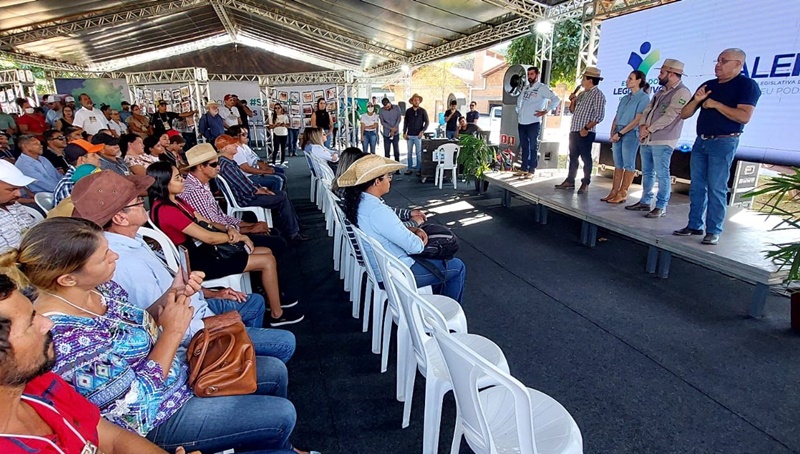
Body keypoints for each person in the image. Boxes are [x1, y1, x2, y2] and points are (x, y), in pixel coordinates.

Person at [0, 218, 316, 454]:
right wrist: (174, 331)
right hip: (157, 417)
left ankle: (276, 446)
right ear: (67, 278)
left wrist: (173, 296)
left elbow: (139, 320)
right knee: (281, 414)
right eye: (104, 257)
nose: (115, 259)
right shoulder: (66, 336)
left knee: (274, 371)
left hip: (177, 373)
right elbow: (132, 412)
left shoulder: (98, 288)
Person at [71, 170, 296, 343]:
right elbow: (158, 321)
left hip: (198, 302)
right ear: (120, 218)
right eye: (138, 202)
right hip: (192, 327)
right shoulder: (124, 262)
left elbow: (171, 289)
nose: (144, 204)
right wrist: (214, 324)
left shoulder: (136, 240)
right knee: (285, 342)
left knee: (254, 302)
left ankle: (244, 353)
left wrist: (211, 294)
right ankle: (237, 359)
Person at [0, 273, 191, 453]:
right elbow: (134, 414)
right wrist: (172, 333)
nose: (47, 323)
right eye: (30, 324)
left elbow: (112, 438)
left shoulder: (39, 384)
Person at [146, 162, 304, 326]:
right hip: (198, 263)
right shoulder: (167, 210)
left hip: (205, 252)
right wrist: (240, 237)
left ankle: (273, 300)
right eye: (178, 178)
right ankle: (277, 315)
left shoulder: (176, 201)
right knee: (267, 260)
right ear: (163, 183)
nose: (183, 181)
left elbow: (206, 222)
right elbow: (209, 237)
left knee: (266, 252)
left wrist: (230, 229)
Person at [340, 154, 464, 301]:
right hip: (398, 274)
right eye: (388, 176)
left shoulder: (359, 203)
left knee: (440, 265)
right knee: (457, 267)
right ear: (376, 181)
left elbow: (389, 231)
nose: (390, 180)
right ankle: (444, 316)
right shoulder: (378, 211)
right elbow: (415, 247)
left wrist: (412, 229)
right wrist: (417, 233)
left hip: (380, 271)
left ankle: (432, 303)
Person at [675, 48, 761, 245]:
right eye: (718, 60)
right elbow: (684, 113)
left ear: (738, 64)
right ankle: (694, 224)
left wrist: (716, 105)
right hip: (701, 141)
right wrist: (697, 100)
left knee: (716, 187)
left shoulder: (746, 85)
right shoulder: (708, 85)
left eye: (724, 61)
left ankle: (713, 229)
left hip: (724, 141)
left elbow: (744, 116)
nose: (718, 65)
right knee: (697, 186)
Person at [180, 144, 289, 255]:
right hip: (219, 243)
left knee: (273, 233)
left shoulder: (202, 184)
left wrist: (248, 225)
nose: (218, 167)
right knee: (278, 243)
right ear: (200, 167)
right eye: (214, 164)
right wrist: (249, 228)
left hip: (227, 233)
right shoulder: (194, 191)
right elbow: (212, 227)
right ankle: (258, 267)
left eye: (218, 163)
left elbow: (220, 217)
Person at [625, 60, 691, 216]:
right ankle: (645, 202)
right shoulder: (660, 91)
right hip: (647, 138)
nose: (659, 75)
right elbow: (647, 110)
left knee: (662, 173)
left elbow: (670, 115)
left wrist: (649, 129)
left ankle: (661, 206)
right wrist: (642, 126)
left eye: (662, 73)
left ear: (672, 74)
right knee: (647, 172)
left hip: (663, 139)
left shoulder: (682, 92)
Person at [216, 135, 309, 242]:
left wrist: (260, 188)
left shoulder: (227, 162)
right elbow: (243, 185)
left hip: (246, 195)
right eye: (233, 144)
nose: (236, 146)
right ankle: (293, 232)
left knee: (281, 195)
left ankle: (294, 226)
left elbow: (245, 182)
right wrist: (259, 190)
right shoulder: (227, 165)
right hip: (245, 198)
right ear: (225, 148)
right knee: (282, 197)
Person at [333, 148, 427, 228]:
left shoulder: (344, 191)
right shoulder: (366, 202)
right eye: (388, 176)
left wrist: (408, 213)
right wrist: (414, 223)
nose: (390, 179)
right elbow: (393, 230)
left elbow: (385, 213)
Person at [555, 66, 607, 194]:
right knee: (573, 157)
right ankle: (570, 180)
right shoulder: (583, 94)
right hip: (574, 130)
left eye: (584, 78)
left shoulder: (598, 95)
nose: (582, 81)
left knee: (585, 158)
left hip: (586, 132)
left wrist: (586, 128)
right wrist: (573, 100)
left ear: (590, 80)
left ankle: (585, 182)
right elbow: (573, 111)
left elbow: (599, 116)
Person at [602, 70, 650, 204]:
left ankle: (623, 192)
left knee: (628, 162)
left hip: (630, 133)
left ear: (639, 81)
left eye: (631, 78)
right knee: (618, 163)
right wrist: (613, 131)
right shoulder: (625, 98)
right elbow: (617, 116)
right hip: (618, 130)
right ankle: (614, 191)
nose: (627, 80)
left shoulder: (644, 98)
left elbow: (637, 119)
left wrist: (621, 133)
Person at [515, 66, 560, 178]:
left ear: (537, 75)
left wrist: (546, 111)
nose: (530, 76)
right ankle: (524, 168)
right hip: (522, 122)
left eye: (532, 74)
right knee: (524, 146)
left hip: (533, 122)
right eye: (528, 74)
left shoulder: (542, 88)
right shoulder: (525, 88)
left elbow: (556, 99)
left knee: (533, 146)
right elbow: (519, 100)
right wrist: (519, 110)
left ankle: (531, 170)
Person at [227, 126, 285, 191]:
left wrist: (265, 168)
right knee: (277, 180)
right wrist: (264, 171)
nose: (247, 136)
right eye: (243, 134)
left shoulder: (244, 146)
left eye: (246, 133)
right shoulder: (236, 150)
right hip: (249, 177)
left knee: (281, 175)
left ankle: (277, 196)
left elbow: (256, 160)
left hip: (256, 172)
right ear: (235, 137)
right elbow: (247, 169)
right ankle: (276, 198)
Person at [53, 139, 103, 205]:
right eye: (93, 155)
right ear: (82, 159)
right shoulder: (70, 184)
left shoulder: (92, 172)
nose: (99, 157)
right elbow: (76, 213)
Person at [0, 161, 36, 252]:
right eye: (12, 189)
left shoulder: (13, 204)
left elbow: (33, 231)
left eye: (20, 188)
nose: (19, 194)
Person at [402, 93, 429, 175]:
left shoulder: (423, 111)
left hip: (418, 135)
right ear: (412, 101)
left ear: (419, 101)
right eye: (415, 100)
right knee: (409, 152)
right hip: (409, 135)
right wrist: (404, 133)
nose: (416, 101)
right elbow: (405, 122)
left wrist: (422, 131)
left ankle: (419, 169)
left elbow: (427, 122)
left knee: (419, 153)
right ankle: (409, 168)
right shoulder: (408, 111)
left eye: (417, 100)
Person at [379, 97, 402, 164]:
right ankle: (387, 169)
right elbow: (382, 122)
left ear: (390, 103)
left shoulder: (397, 107)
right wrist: (391, 129)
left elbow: (399, 118)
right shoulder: (381, 110)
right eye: (385, 107)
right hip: (386, 133)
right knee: (387, 152)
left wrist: (394, 128)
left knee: (396, 151)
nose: (387, 108)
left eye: (388, 106)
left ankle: (397, 167)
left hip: (396, 132)